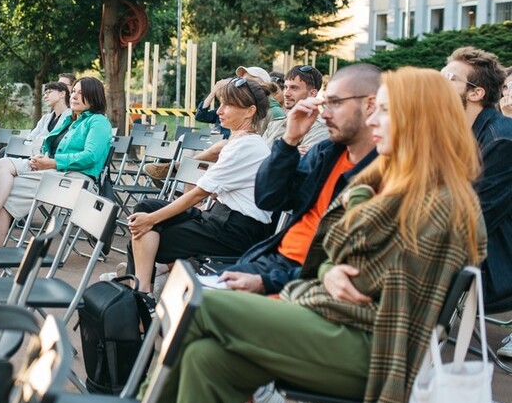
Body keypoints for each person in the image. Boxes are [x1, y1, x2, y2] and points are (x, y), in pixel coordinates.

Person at [156, 67, 485, 403]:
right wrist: (289, 142)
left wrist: (307, 278)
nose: (374, 120)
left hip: (373, 350)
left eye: (385, 111)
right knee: (204, 357)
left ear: (419, 119)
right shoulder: (376, 176)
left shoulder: (435, 201)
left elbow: (355, 281)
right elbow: (327, 256)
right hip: (329, 313)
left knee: (200, 304)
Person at [219, 63, 381, 295]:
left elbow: (342, 268)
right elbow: (268, 198)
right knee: (191, 298)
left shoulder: (381, 172)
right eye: (326, 104)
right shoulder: (326, 154)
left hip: (305, 280)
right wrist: (289, 140)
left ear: (369, 105)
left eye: (334, 103)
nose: (324, 114)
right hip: (276, 260)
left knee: (202, 308)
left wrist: (267, 281)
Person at [127, 77, 274, 293]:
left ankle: (142, 298)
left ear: (249, 111)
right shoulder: (240, 141)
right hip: (219, 217)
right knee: (145, 208)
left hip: (235, 232)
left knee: (144, 236)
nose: (219, 111)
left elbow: (199, 193)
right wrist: (150, 217)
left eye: (228, 105)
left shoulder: (246, 146)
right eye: (220, 103)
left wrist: (151, 220)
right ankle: (146, 294)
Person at [0, 77, 113, 245]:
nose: (74, 96)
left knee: (8, 189)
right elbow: (50, 145)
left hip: (76, 178)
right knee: (3, 164)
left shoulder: (98, 122)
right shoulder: (73, 120)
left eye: (81, 93)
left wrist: (52, 162)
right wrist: (42, 158)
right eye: (74, 92)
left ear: (94, 97)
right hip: (56, 171)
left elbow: (90, 157)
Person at [440, 48, 512, 307]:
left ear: (476, 92)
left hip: (494, 266)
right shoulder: (458, 134)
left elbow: (475, 217)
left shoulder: (501, 139)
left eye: (450, 77)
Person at [261, 64, 330, 149]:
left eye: (294, 88)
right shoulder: (274, 124)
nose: (286, 94)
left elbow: (306, 160)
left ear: (312, 93)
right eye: (286, 87)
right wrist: (294, 152)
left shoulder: (320, 128)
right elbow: (258, 158)